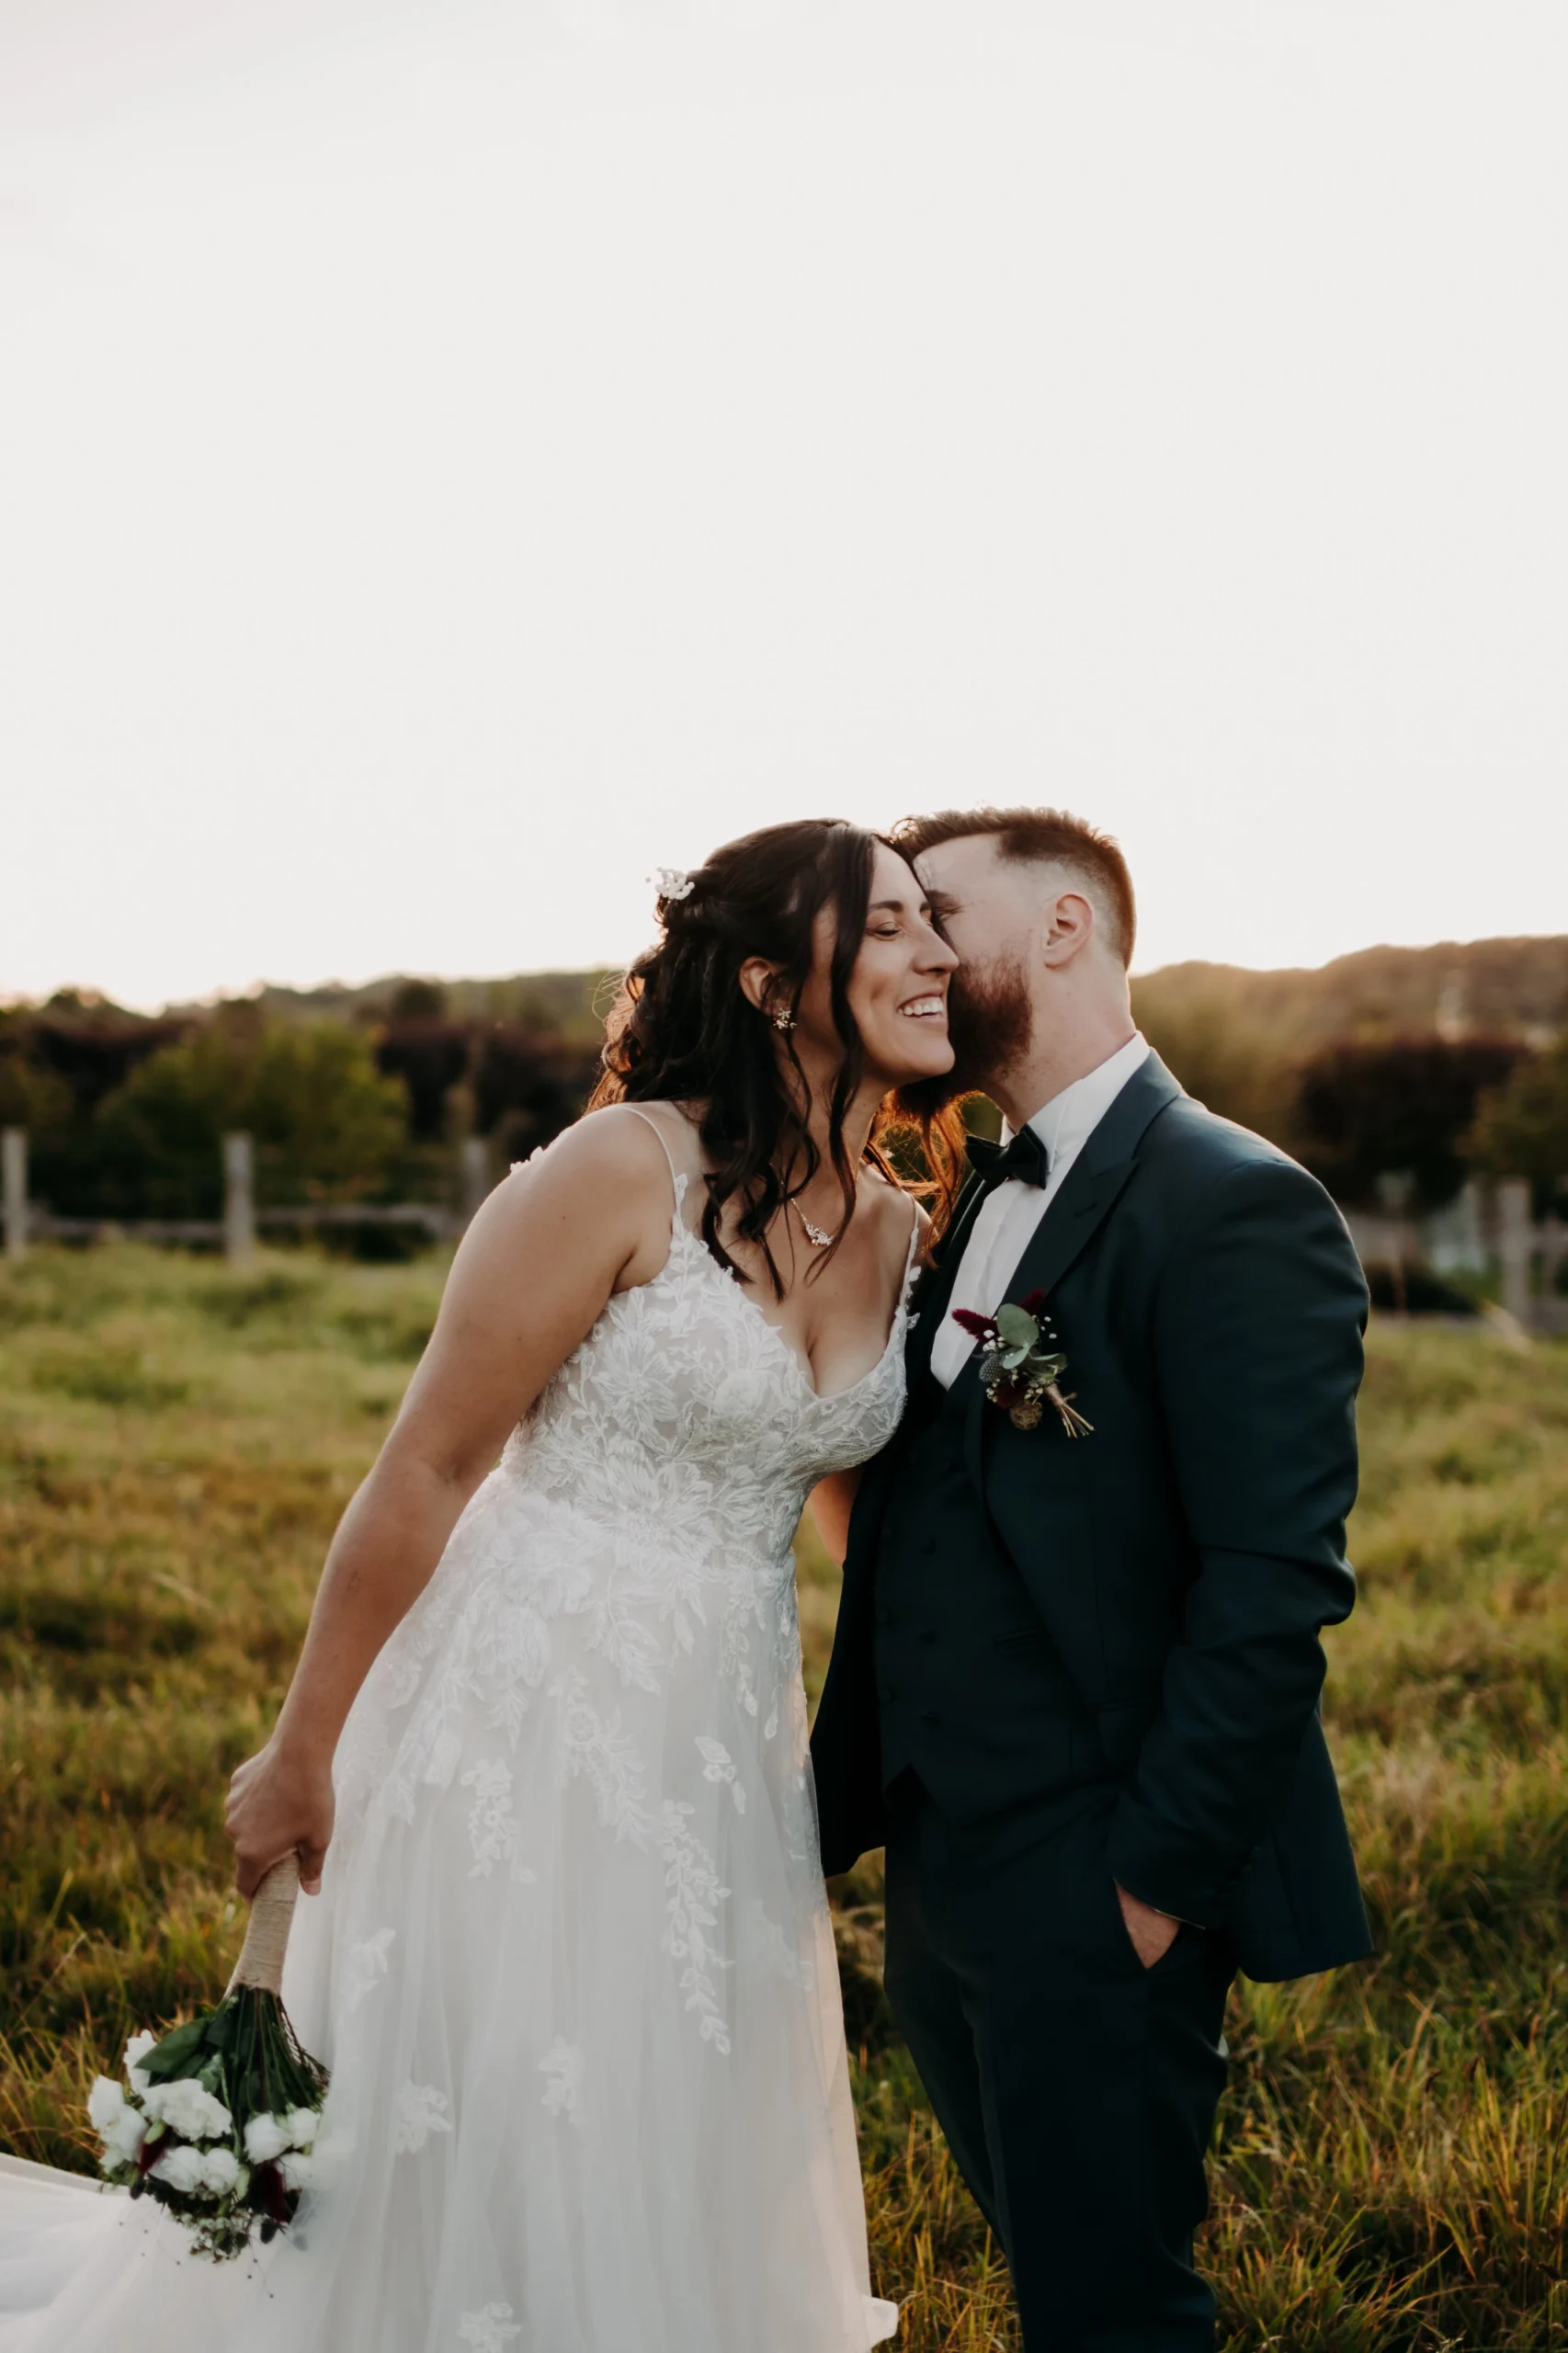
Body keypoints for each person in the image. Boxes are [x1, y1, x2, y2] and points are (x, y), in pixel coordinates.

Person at [0, 818, 958, 2353]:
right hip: (520, 1696)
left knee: (663, 2076)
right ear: (779, 984)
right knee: (495, 2078)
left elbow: (844, 1507)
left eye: (936, 924)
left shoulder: (906, 1230)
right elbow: (428, 1468)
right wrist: (301, 1744)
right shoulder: (616, 1166)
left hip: (718, 1725)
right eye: (896, 925)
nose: (938, 955)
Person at [810, 806, 1372, 2353]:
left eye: (935, 912)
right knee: (1047, 2267)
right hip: (938, 1866)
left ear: (1062, 928)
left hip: (1095, 1872)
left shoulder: (1233, 1202)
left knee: (1113, 2307)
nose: (912, 948)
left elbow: (1272, 1585)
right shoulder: (974, 1194)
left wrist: (1145, 1891)